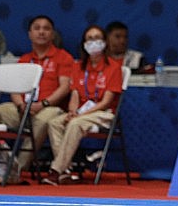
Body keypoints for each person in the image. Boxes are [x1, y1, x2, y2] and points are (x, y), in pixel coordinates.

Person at [0, 15, 73, 177]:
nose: (41, 32)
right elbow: (15, 89)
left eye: (46, 28)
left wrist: (43, 104)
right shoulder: (25, 60)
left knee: (44, 119)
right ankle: (2, 157)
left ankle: (18, 167)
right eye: (37, 28)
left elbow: (65, 87)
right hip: (23, 107)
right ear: (29, 34)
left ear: (52, 34)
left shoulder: (63, 57)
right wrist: (21, 105)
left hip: (50, 107)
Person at [42, 25, 123, 185]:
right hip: (81, 113)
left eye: (97, 38)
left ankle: (55, 170)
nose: (93, 42)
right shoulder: (78, 66)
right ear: (84, 44)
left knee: (75, 123)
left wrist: (80, 115)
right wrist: (72, 111)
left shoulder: (114, 67)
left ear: (105, 42)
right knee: (54, 123)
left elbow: (106, 101)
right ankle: (65, 171)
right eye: (89, 39)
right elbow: (75, 94)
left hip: (104, 114)